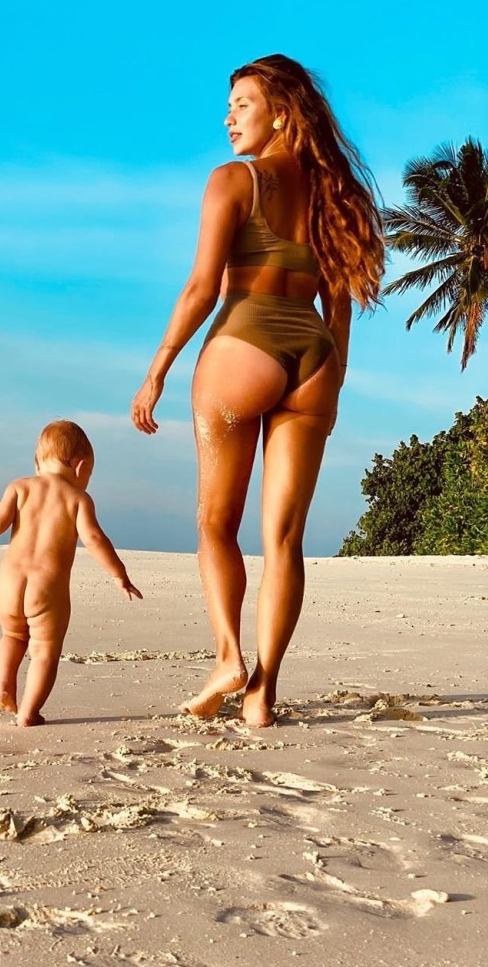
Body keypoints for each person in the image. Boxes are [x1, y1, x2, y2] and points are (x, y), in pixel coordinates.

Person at [131, 54, 383, 727]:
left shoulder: (233, 179)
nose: (228, 118)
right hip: (315, 356)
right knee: (284, 540)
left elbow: (201, 288)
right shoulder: (336, 196)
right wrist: (335, 378)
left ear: (280, 112)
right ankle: (262, 696)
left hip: (243, 343)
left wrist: (157, 369)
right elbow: (340, 308)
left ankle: (227, 658)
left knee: (216, 523)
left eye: (241, 103)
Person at [0, 420, 142, 727]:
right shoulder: (78, 499)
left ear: (37, 464)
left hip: (9, 585)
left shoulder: (20, 488)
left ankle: (4, 685)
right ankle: (28, 712)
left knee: (12, 635)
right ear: (81, 467)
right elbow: (94, 539)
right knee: (44, 651)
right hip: (47, 588)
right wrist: (119, 575)